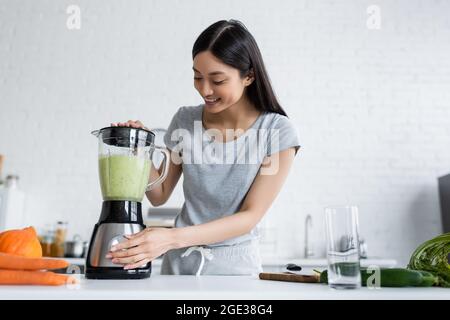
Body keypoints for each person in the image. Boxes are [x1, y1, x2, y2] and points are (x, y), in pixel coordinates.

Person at [108, 19, 300, 275]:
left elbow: (249, 216)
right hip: (178, 268)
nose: (205, 89)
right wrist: (139, 148)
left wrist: (172, 238)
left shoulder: (276, 131)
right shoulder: (185, 121)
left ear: (249, 76)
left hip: (235, 273)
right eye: (198, 77)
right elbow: (159, 193)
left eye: (217, 80)